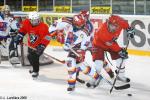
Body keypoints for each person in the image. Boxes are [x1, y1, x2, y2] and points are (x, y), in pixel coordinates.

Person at [49, 14, 101, 92]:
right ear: (73, 22)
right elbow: (52, 28)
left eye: (82, 25)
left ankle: (71, 84)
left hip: (79, 46)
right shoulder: (66, 20)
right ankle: (96, 76)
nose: (81, 27)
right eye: (79, 25)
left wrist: (81, 51)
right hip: (70, 43)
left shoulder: (87, 29)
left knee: (70, 62)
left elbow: (86, 42)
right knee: (79, 66)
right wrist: (56, 33)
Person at [91, 15, 135, 83]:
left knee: (121, 59)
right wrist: (120, 50)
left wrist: (129, 29)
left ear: (118, 25)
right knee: (99, 64)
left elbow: (125, 24)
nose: (112, 28)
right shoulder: (102, 31)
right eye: (111, 25)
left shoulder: (121, 23)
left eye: (115, 26)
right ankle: (96, 77)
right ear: (108, 23)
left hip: (111, 43)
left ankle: (120, 76)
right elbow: (111, 45)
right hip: (98, 45)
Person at [9, 12, 51, 78]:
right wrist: (19, 36)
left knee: (34, 57)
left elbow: (47, 37)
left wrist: (42, 46)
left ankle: (35, 71)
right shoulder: (26, 22)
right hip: (31, 44)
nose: (35, 22)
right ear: (30, 20)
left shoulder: (43, 26)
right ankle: (34, 68)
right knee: (29, 56)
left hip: (39, 45)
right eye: (33, 20)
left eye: (37, 20)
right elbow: (23, 30)